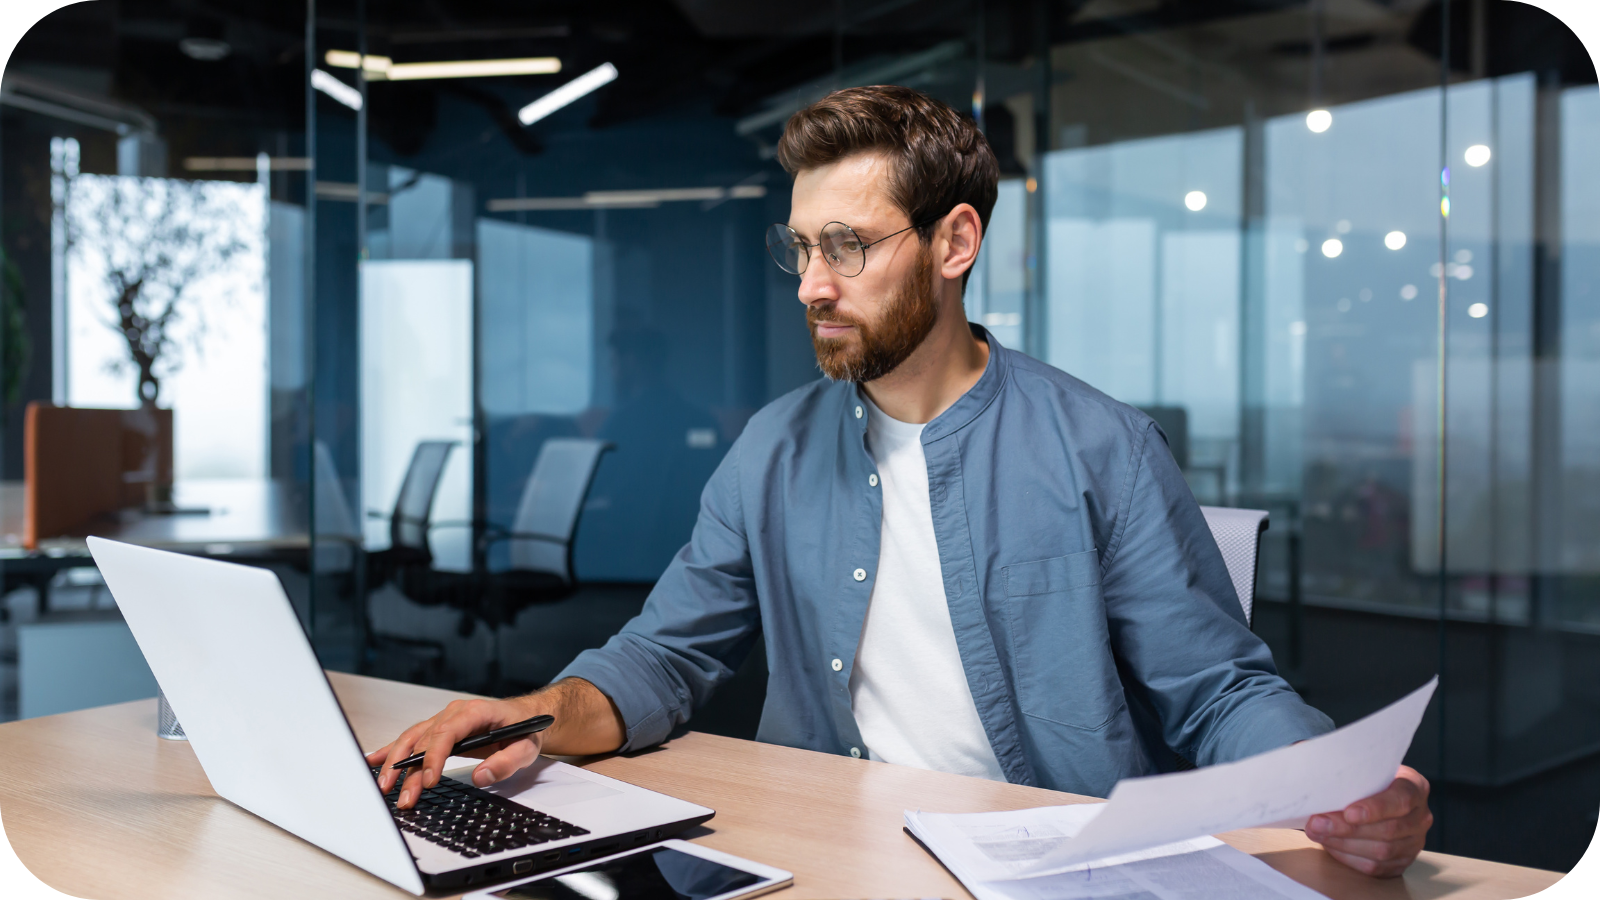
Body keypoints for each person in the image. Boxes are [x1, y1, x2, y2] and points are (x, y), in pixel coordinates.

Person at [369, 85, 1433, 878]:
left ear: (954, 241)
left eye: (847, 246)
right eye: (800, 250)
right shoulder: (772, 451)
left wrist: (1338, 787)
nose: (814, 286)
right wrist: (531, 714)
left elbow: (1215, 690)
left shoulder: (1100, 445)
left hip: (1051, 869)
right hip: (821, 851)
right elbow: (663, 657)